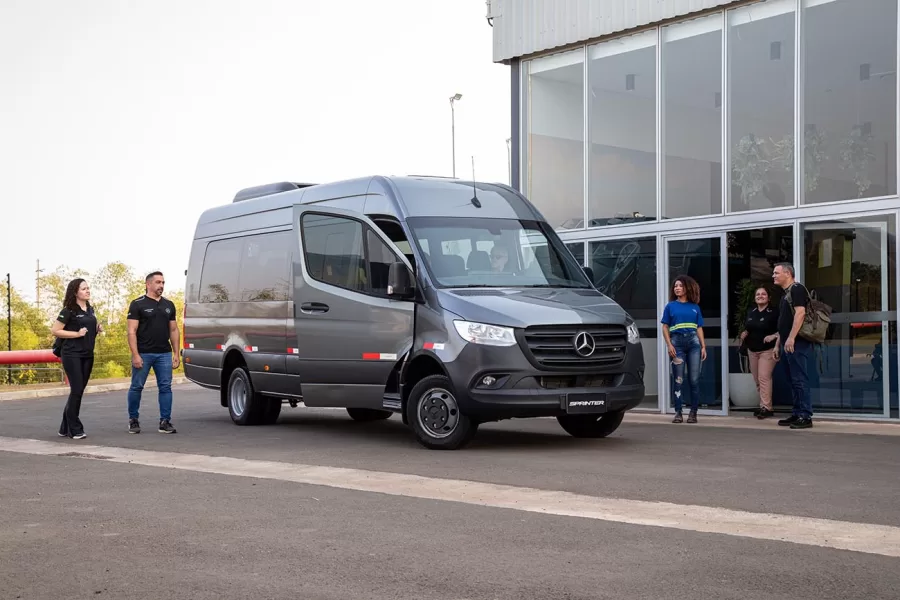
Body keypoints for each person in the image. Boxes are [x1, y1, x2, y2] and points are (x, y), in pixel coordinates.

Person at [126, 271, 180, 434]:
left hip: (164, 353)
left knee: (165, 387)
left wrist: (176, 353)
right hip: (143, 353)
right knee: (137, 386)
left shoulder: (169, 305)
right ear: (148, 284)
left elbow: (174, 329)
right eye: (158, 282)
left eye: (163, 282)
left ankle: (165, 421)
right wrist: (135, 354)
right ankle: (133, 420)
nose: (161, 285)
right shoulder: (137, 304)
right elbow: (131, 331)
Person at [51, 278, 102, 439]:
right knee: (77, 389)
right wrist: (76, 334)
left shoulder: (90, 309)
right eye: (83, 289)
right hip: (71, 354)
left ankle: (64, 427)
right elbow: (56, 330)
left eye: (88, 288)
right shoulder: (68, 310)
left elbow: (88, 328)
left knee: (78, 391)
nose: (87, 291)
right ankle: (75, 428)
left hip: (87, 354)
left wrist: (97, 328)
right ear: (75, 292)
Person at [661, 275, 707, 424]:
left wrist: (703, 346)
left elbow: (699, 327)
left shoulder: (695, 307)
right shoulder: (670, 306)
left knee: (694, 380)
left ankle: (693, 413)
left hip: (694, 343)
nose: (677, 288)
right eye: (675, 286)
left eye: (680, 285)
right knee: (678, 380)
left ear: (687, 287)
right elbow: (665, 327)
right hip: (677, 343)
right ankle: (678, 413)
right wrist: (669, 345)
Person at [773, 262, 813, 429]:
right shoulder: (785, 294)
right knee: (792, 378)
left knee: (799, 378)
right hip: (787, 342)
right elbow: (782, 324)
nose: (773, 276)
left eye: (776, 273)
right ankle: (797, 412)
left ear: (787, 273)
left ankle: (805, 415)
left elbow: (800, 313)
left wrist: (791, 338)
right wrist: (778, 344)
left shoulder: (797, 289)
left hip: (796, 342)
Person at [739, 286, 780, 419]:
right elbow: (748, 328)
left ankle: (767, 407)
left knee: (764, 378)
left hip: (768, 350)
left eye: (763, 294)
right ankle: (764, 405)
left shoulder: (774, 312)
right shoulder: (751, 311)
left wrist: (774, 336)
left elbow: (783, 329)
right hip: (752, 350)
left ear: (768, 297)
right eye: (758, 294)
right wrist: (745, 333)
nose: (760, 296)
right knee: (757, 380)